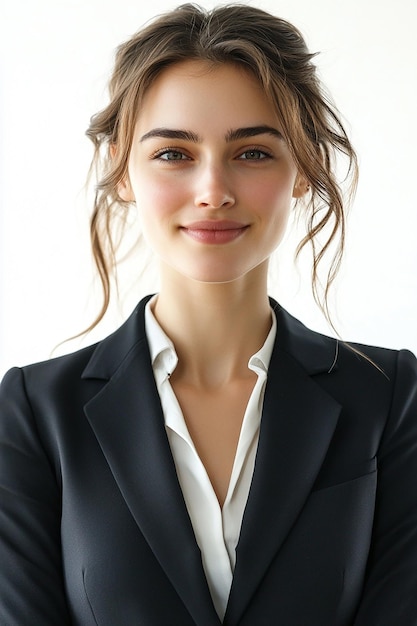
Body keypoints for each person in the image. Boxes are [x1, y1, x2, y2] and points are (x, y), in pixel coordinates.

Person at [1, 4, 416, 625]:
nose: (213, 190)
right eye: (173, 153)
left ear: (300, 168)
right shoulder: (35, 410)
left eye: (252, 153)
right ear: (123, 170)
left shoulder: (390, 397)